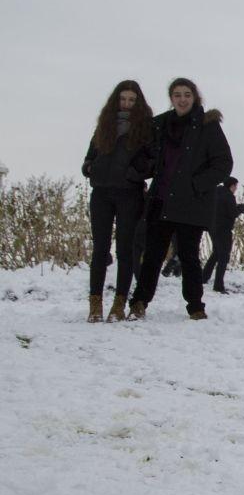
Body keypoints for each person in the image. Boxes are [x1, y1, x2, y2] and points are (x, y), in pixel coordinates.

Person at [127, 78, 233, 321]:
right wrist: (141, 170)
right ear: (171, 98)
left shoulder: (208, 126)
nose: (182, 99)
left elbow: (223, 163)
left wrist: (197, 185)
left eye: (187, 94)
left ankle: (195, 306)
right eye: (177, 95)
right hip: (161, 200)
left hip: (191, 203)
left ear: (194, 97)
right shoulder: (161, 124)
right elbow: (146, 154)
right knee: (153, 255)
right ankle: (139, 302)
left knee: (189, 257)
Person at [82, 80, 154, 322]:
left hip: (129, 194)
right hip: (101, 192)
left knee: (125, 250)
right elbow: (90, 153)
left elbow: (152, 160)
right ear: (116, 100)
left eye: (132, 100)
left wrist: (134, 174)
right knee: (100, 250)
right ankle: (95, 305)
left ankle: (119, 304)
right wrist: (89, 166)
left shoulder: (145, 128)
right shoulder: (105, 124)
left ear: (138, 102)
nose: (127, 104)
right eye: (123, 99)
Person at [202, 177, 244, 293]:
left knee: (216, 253)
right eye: (236, 186)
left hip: (212, 228)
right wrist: (241, 208)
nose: (236, 188)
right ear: (231, 186)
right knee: (223, 257)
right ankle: (218, 285)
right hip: (224, 229)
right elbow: (232, 213)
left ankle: (203, 277)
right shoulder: (229, 196)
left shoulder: (216, 192)